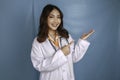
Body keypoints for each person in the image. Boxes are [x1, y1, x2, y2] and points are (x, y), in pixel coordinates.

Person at [31, 4, 94, 80]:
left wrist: (82, 41)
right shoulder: (38, 41)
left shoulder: (66, 36)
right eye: (51, 17)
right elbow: (39, 65)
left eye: (58, 17)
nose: (56, 21)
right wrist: (61, 53)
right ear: (45, 18)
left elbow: (73, 58)